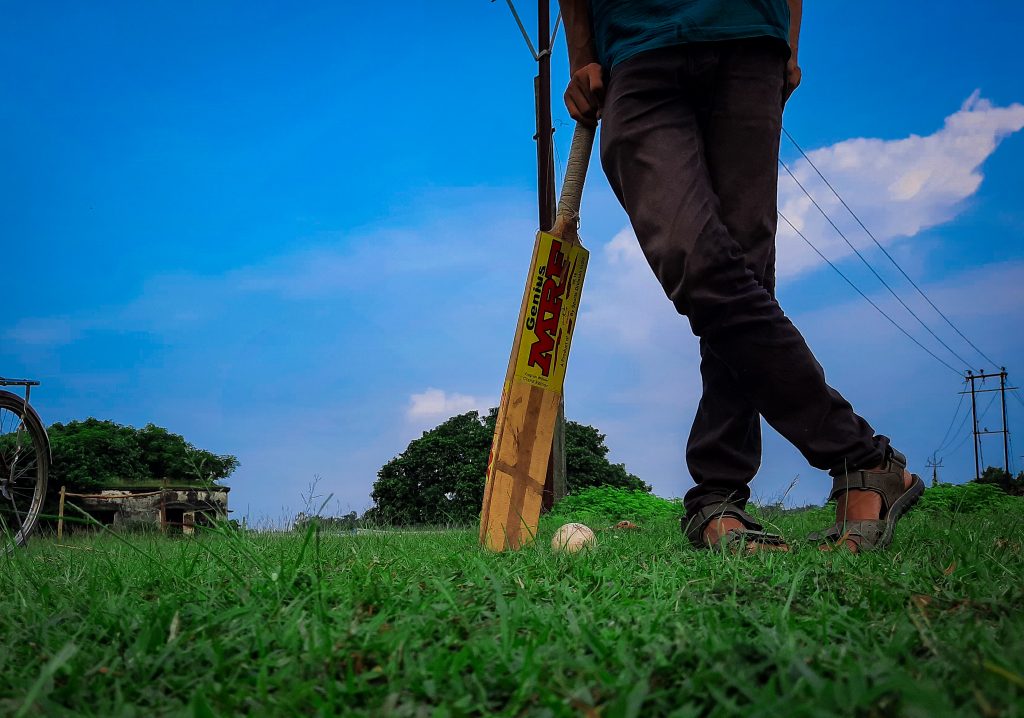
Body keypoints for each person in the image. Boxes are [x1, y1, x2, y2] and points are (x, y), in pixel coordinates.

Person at [557, 0, 924, 552]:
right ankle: (861, 457)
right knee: (697, 262)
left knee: (744, 276)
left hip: (749, 34)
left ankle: (718, 494)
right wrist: (581, 53)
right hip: (636, 47)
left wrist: (790, 44)